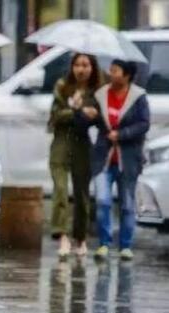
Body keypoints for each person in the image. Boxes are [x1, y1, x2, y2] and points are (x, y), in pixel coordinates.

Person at [78, 59, 150, 261]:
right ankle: (104, 243)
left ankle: (126, 246)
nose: (111, 74)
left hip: (128, 159)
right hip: (104, 158)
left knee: (127, 204)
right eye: (110, 70)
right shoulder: (101, 95)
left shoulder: (138, 97)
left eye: (115, 70)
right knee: (102, 200)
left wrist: (122, 134)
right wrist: (87, 114)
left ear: (126, 75)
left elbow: (144, 124)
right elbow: (89, 121)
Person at [48, 53, 103, 258]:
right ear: (72, 67)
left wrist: (93, 115)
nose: (81, 69)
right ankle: (61, 235)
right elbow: (55, 115)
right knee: (60, 189)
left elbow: (102, 117)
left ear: (92, 68)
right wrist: (75, 110)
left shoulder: (97, 91)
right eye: (78, 65)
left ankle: (80, 238)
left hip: (83, 142)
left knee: (81, 193)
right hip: (62, 141)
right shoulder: (62, 86)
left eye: (86, 65)